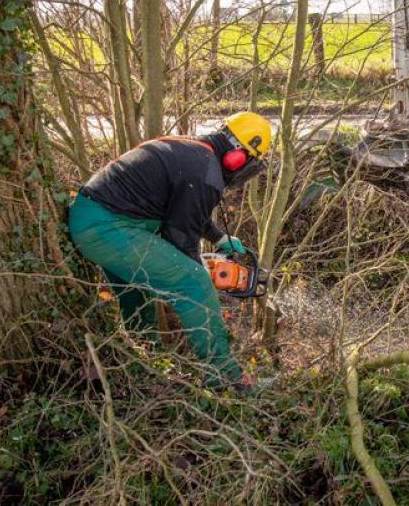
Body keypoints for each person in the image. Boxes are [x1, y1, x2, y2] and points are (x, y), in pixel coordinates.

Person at [68, 112, 272, 389]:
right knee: (194, 282)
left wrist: (219, 237)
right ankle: (225, 378)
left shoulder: (195, 152)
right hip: (109, 229)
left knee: (135, 291)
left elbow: (184, 211)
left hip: (93, 221)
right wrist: (202, 274)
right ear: (238, 156)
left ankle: (143, 360)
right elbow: (179, 237)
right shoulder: (206, 173)